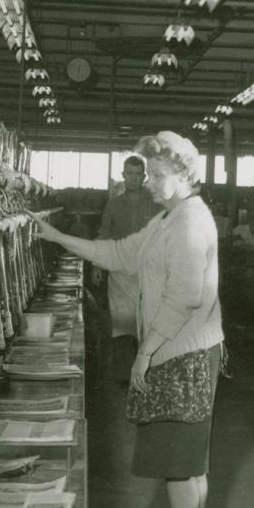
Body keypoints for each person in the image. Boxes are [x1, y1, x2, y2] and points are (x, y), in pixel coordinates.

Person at [35, 132, 223, 508]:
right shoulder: (168, 218)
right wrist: (56, 236)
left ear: (184, 174)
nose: (152, 184)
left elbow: (184, 297)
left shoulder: (189, 221)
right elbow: (118, 254)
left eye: (159, 175)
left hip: (183, 351)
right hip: (185, 347)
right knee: (188, 462)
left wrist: (145, 351)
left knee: (179, 463)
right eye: (149, 174)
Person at [97, 155, 159, 381]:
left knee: (149, 322)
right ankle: (125, 376)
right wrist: (98, 264)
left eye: (138, 174)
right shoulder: (114, 205)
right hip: (121, 273)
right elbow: (104, 233)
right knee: (122, 324)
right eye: (129, 174)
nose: (133, 178)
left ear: (144, 177)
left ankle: (148, 373)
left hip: (149, 272)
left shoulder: (155, 203)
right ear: (123, 175)